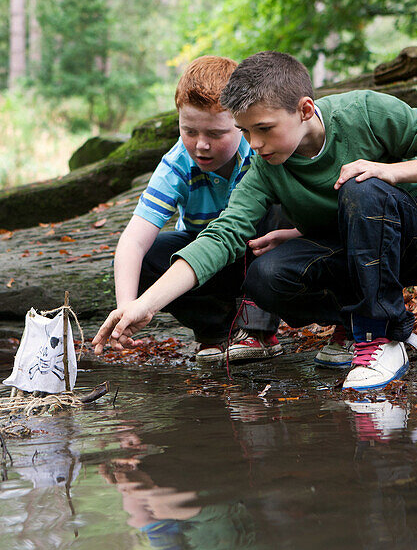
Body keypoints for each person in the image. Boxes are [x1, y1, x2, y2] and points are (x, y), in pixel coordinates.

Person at [94, 50, 417, 390]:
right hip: (348, 244)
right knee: (266, 274)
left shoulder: (365, 112)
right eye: (246, 132)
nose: (255, 145)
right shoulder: (265, 167)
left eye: (264, 130)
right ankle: (383, 327)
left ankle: (380, 337)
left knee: (361, 184)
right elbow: (224, 235)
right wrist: (144, 305)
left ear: (304, 109)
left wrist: (390, 171)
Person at [112, 55, 296, 366]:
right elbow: (133, 240)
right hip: (204, 263)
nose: (200, 145)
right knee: (149, 254)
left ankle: (258, 330)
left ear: (241, 123)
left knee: (273, 207)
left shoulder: (262, 152)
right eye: (190, 131)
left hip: (261, 253)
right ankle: (217, 331)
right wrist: (126, 307)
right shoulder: (176, 165)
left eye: (215, 134)